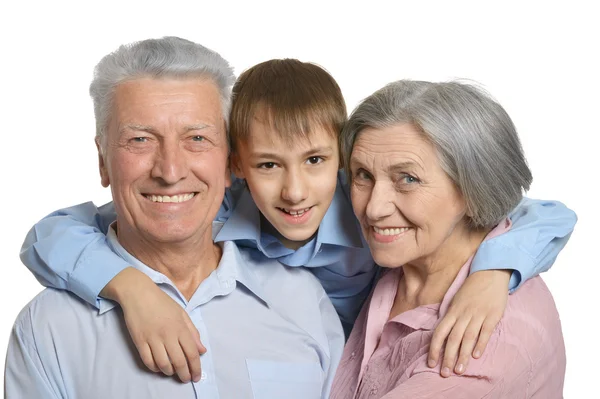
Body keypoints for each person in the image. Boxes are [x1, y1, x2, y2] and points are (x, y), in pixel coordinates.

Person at [18, 39, 576, 384]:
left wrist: (494, 273)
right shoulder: (215, 211)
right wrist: (131, 287)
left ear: (342, 158)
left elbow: (541, 213)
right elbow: (55, 234)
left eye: (315, 161)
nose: (293, 192)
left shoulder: (371, 207)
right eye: (266, 166)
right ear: (236, 165)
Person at [4, 37, 344, 399]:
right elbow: (51, 234)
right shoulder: (48, 330)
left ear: (230, 162)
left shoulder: (305, 300)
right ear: (102, 160)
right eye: (140, 140)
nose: (170, 170)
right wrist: (130, 287)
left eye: (196, 137)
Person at [331, 80, 568, 398]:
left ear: (474, 189)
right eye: (363, 175)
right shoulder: (409, 251)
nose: (373, 208)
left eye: (408, 179)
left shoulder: (481, 349)